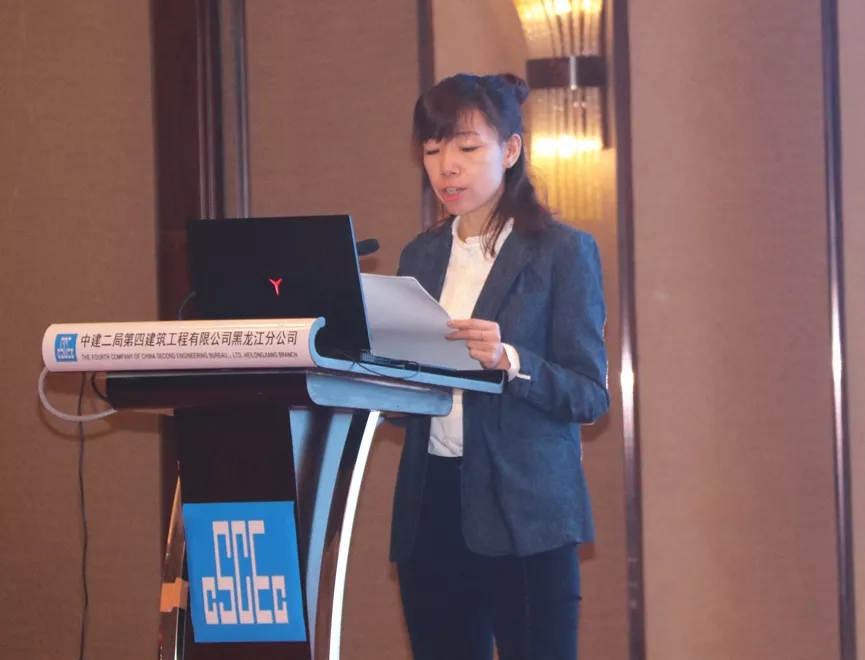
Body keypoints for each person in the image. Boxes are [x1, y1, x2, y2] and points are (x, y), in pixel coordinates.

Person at [388, 71, 610, 660]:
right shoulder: (419, 255)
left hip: (525, 511)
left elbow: (590, 394)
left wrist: (509, 358)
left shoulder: (563, 251)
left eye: (466, 148)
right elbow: (404, 405)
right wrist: (377, 374)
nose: (446, 168)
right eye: (432, 151)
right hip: (432, 506)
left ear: (510, 150)